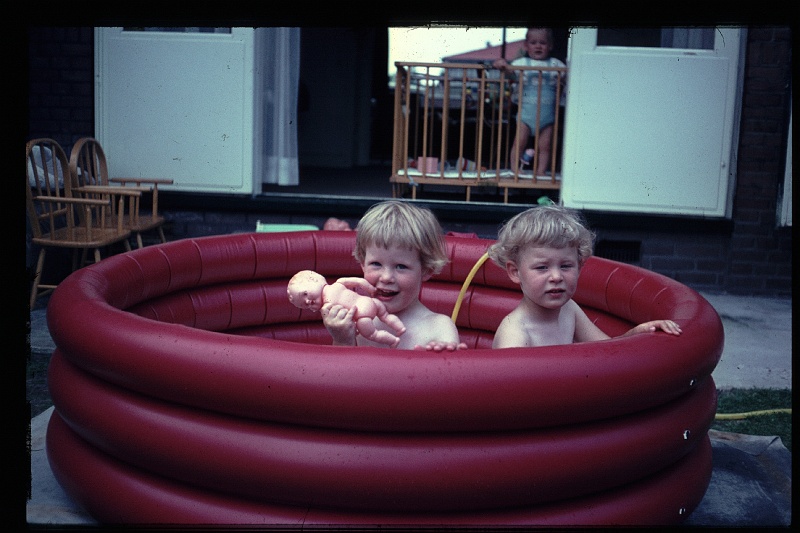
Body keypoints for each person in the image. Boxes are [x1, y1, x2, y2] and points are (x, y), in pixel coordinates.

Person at [487, 205, 683, 348]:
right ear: (515, 272)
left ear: (580, 266)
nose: (556, 276)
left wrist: (637, 333)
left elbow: (607, 349)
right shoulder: (515, 334)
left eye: (565, 266)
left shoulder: (569, 309)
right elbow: (511, 394)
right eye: (542, 267)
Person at [322, 200, 466, 351]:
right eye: (376, 264)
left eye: (400, 266)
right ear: (362, 264)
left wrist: (440, 360)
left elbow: (451, 371)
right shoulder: (355, 318)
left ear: (426, 270)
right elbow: (343, 373)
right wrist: (342, 340)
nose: (386, 277)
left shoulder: (439, 327)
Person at [493, 28, 566, 175]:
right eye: (533, 43)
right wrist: (502, 65)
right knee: (519, 143)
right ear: (526, 46)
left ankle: (540, 171)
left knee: (545, 146)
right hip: (526, 115)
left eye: (543, 43)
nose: (538, 46)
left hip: (547, 116)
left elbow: (567, 74)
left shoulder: (555, 64)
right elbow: (510, 72)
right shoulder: (522, 62)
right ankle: (515, 170)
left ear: (550, 46)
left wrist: (563, 79)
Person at [287, 269, 406, 348]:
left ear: (315, 280)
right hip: (369, 301)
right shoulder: (339, 283)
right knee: (385, 316)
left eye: (305, 294)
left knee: (373, 335)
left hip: (362, 316)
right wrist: (371, 289)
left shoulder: (327, 308)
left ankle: (392, 341)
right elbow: (359, 282)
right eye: (305, 305)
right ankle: (400, 327)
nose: (308, 301)